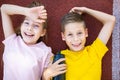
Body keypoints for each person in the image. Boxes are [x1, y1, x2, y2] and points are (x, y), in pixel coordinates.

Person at [1, 1, 66, 80]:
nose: (29, 28)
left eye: (36, 26)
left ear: (43, 32)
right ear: (21, 26)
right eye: (27, 23)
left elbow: (45, 78)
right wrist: (26, 12)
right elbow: (3, 9)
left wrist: (48, 74)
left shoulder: (45, 51)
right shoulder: (11, 40)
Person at [58, 7, 115, 80]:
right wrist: (46, 74)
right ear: (63, 36)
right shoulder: (59, 58)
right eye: (70, 34)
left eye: (79, 33)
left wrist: (85, 10)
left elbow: (110, 20)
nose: (76, 39)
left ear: (86, 32)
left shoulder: (95, 51)